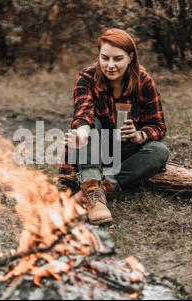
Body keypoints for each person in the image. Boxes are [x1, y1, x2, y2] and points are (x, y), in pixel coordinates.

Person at [59, 28, 169, 225]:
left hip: (125, 151)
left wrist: (140, 135)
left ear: (130, 57)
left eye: (117, 59)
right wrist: (82, 131)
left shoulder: (144, 82)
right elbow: (84, 111)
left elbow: (158, 125)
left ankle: (104, 187)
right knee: (92, 124)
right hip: (92, 151)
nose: (110, 65)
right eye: (105, 58)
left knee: (159, 151)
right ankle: (93, 192)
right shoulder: (87, 77)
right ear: (99, 56)